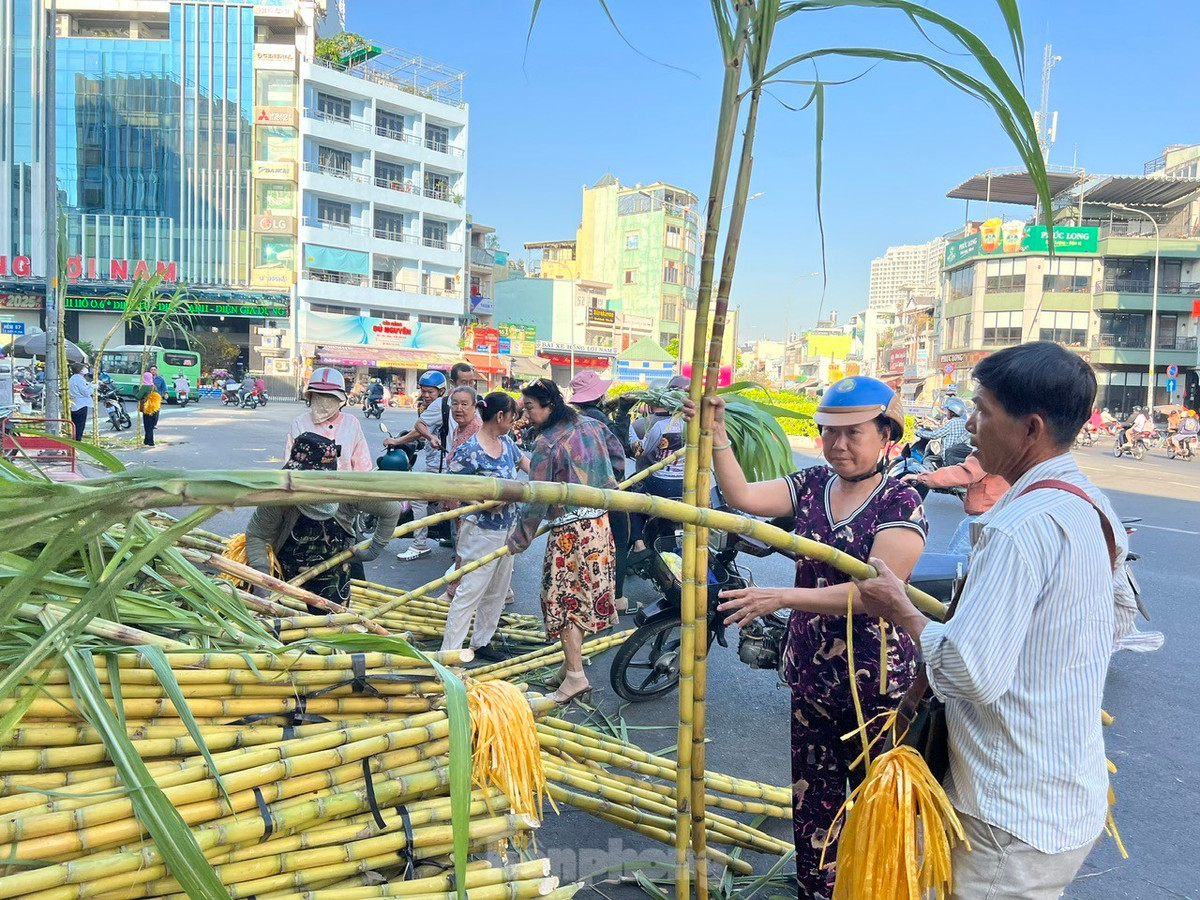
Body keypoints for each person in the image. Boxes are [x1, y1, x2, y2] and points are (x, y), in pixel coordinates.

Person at [855, 342, 1118, 900]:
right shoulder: (1090, 504)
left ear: (1032, 428)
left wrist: (901, 608)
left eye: (983, 411)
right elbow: (1109, 624)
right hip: (1064, 795)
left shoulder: (1018, 526)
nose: (970, 424)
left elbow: (970, 673)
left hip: (1009, 816)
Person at [700, 375, 926, 899]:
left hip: (877, 686)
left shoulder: (901, 501)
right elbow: (742, 496)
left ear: (886, 435)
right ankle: (816, 890)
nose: (839, 445)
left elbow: (876, 593)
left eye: (854, 433)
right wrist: (717, 435)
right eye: (830, 432)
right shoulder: (809, 486)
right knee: (812, 799)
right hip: (812, 679)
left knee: (878, 803)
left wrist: (783, 597)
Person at [505, 378, 626, 704]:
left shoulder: (547, 443)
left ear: (548, 405)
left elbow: (536, 499)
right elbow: (619, 460)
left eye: (529, 407)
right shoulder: (592, 425)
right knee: (582, 599)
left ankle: (575, 677)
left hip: (571, 535)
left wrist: (520, 538)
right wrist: (605, 486)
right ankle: (568, 665)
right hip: (600, 527)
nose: (526, 414)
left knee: (565, 603)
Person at [245, 432, 401, 613]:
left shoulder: (347, 492)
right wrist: (262, 578)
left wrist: (373, 550)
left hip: (333, 579)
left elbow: (391, 510)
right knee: (287, 633)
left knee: (330, 633)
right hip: (286, 582)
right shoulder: (282, 495)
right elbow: (257, 534)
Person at [443, 392, 529, 659]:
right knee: (470, 591)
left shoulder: (507, 443)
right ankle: (450, 653)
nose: (514, 422)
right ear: (501, 416)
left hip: (508, 528)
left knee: (498, 590)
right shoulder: (470, 450)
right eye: (513, 417)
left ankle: (482, 641)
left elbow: (527, 465)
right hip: (480, 530)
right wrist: (482, 501)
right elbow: (450, 486)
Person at [570, 370, 632, 611]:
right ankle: (616, 597)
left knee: (589, 545)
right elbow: (620, 447)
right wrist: (623, 413)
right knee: (619, 542)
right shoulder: (598, 419)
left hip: (581, 490)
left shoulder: (576, 417)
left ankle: (587, 594)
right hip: (608, 490)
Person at [389, 370, 455, 561]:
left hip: (439, 465)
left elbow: (419, 429)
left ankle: (418, 544)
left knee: (418, 499)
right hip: (441, 462)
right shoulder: (443, 404)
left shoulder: (437, 406)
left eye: (430, 392)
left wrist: (398, 441)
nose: (426, 395)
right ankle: (450, 538)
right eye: (423, 391)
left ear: (441, 391)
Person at [628, 374, 689, 553]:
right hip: (687, 485)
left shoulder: (662, 426)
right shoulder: (699, 426)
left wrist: (632, 435)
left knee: (633, 500)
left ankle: (639, 543)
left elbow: (643, 451)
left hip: (661, 483)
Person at [906, 451, 1009, 555]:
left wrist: (924, 477)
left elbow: (966, 473)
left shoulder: (992, 446)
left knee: (955, 559)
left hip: (984, 515)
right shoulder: (1012, 446)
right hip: (1000, 512)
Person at [286, 368, 371, 473]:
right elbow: (290, 467)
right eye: (318, 396)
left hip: (344, 487)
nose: (324, 402)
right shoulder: (300, 423)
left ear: (339, 399)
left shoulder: (351, 423)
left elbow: (362, 466)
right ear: (311, 397)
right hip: (308, 487)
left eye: (329, 396)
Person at [917, 395, 972, 466]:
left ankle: (930, 475)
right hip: (956, 456)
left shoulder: (951, 423)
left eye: (948, 411)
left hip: (946, 456)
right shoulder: (964, 423)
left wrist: (919, 433)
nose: (946, 413)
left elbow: (935, 435)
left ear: (952, 413)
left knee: (927, 460)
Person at [136, 371, 162, 447]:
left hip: (147, 408)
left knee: (147, 425)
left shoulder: (145, 387)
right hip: (155, 408)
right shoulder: (154, 386)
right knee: (151, 425)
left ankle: (150, 441)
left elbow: (138, 397)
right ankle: (146, 441)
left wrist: (136, 391)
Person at [67, 362, 91, 441]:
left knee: (75, 424)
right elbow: (86, 392)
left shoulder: (73, 378)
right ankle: (77, 441)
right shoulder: (79, 379)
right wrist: (93, 387)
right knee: (79, 425)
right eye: (84, 368)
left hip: (75, 404)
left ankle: (75, 440)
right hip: (81, 404)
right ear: (80, 371)